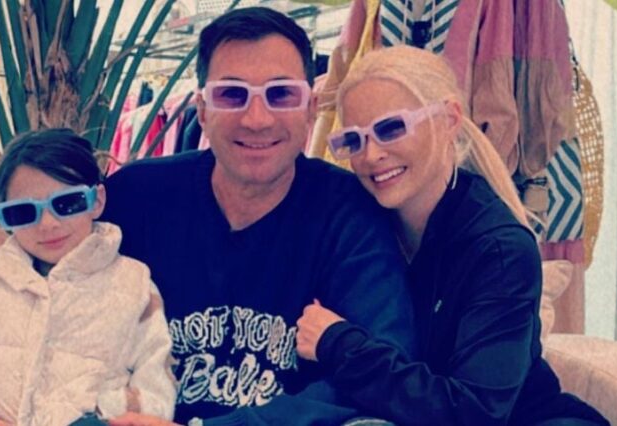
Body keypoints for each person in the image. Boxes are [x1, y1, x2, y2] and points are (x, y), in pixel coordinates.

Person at [101, 7, 415, 426]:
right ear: (202, 110)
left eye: (280, 94)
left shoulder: (349, 215)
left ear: (310, 108)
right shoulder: (135, 198)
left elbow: (379, 370)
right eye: (232, 95)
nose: (257, 119)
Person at [295, 46, 608, 425]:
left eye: (391, 128)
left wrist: (338, 344)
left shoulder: (499, 249)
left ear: (449, 120)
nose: (371, 155)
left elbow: (474, 413)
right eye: (354, 140)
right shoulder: (357, 224)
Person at [0, 130, 176, 426]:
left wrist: (93, 413)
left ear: (97, 200)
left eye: (67, 203)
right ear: (3, 218)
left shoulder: (133, 284)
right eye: (23, 212)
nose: (48, 223)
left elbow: (157, 396)